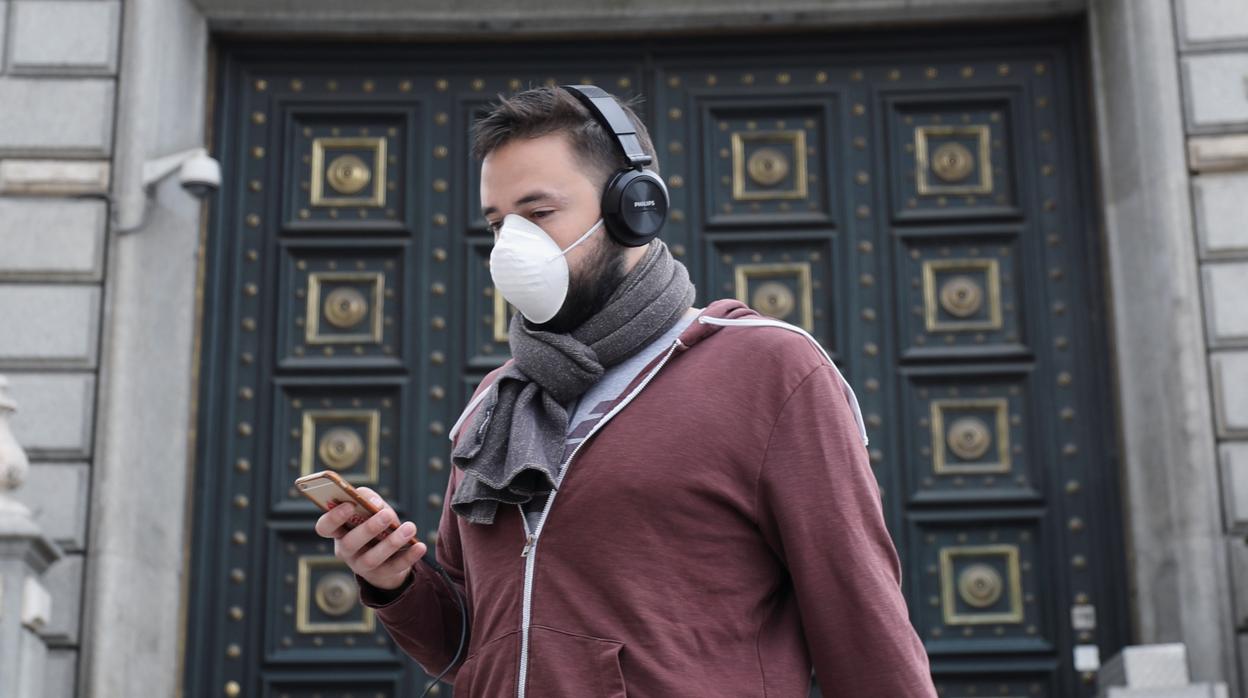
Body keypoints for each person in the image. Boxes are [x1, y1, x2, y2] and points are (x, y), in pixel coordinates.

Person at [314, 85, 937, 697]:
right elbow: (469, 649)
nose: (511, 247)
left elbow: (860, 618)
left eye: (538, 213)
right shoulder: (498, 399)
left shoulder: (768, 368)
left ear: (633, 208)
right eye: (497, 223)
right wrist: (396, 583)